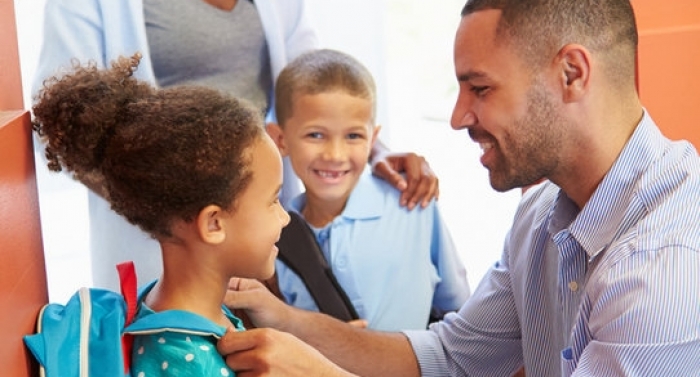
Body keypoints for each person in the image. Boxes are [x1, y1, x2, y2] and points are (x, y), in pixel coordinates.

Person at [217, 0, 700, 376]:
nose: (457, 117)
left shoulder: (665, 263)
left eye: (481, 89)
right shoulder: (540, 214)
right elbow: (451, 358)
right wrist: (285, 322)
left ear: (571, 74)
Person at [33, 0, 440, 291]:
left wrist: (373, 148)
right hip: (178, 231)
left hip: (258, 216)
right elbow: (61, 124)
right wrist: (174, 212)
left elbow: (311, 82)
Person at [32, 53, 295, 375]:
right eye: (273, 200)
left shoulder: (170, 310)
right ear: (213, 223)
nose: (285, 217)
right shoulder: (191, 364)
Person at [266, 49, 470, 331]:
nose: (335, 154)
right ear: (280, 139)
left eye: (353, 136)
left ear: (373, 138)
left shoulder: (411, 203)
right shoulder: (275, 234)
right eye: (315, 135)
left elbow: (459, 309)